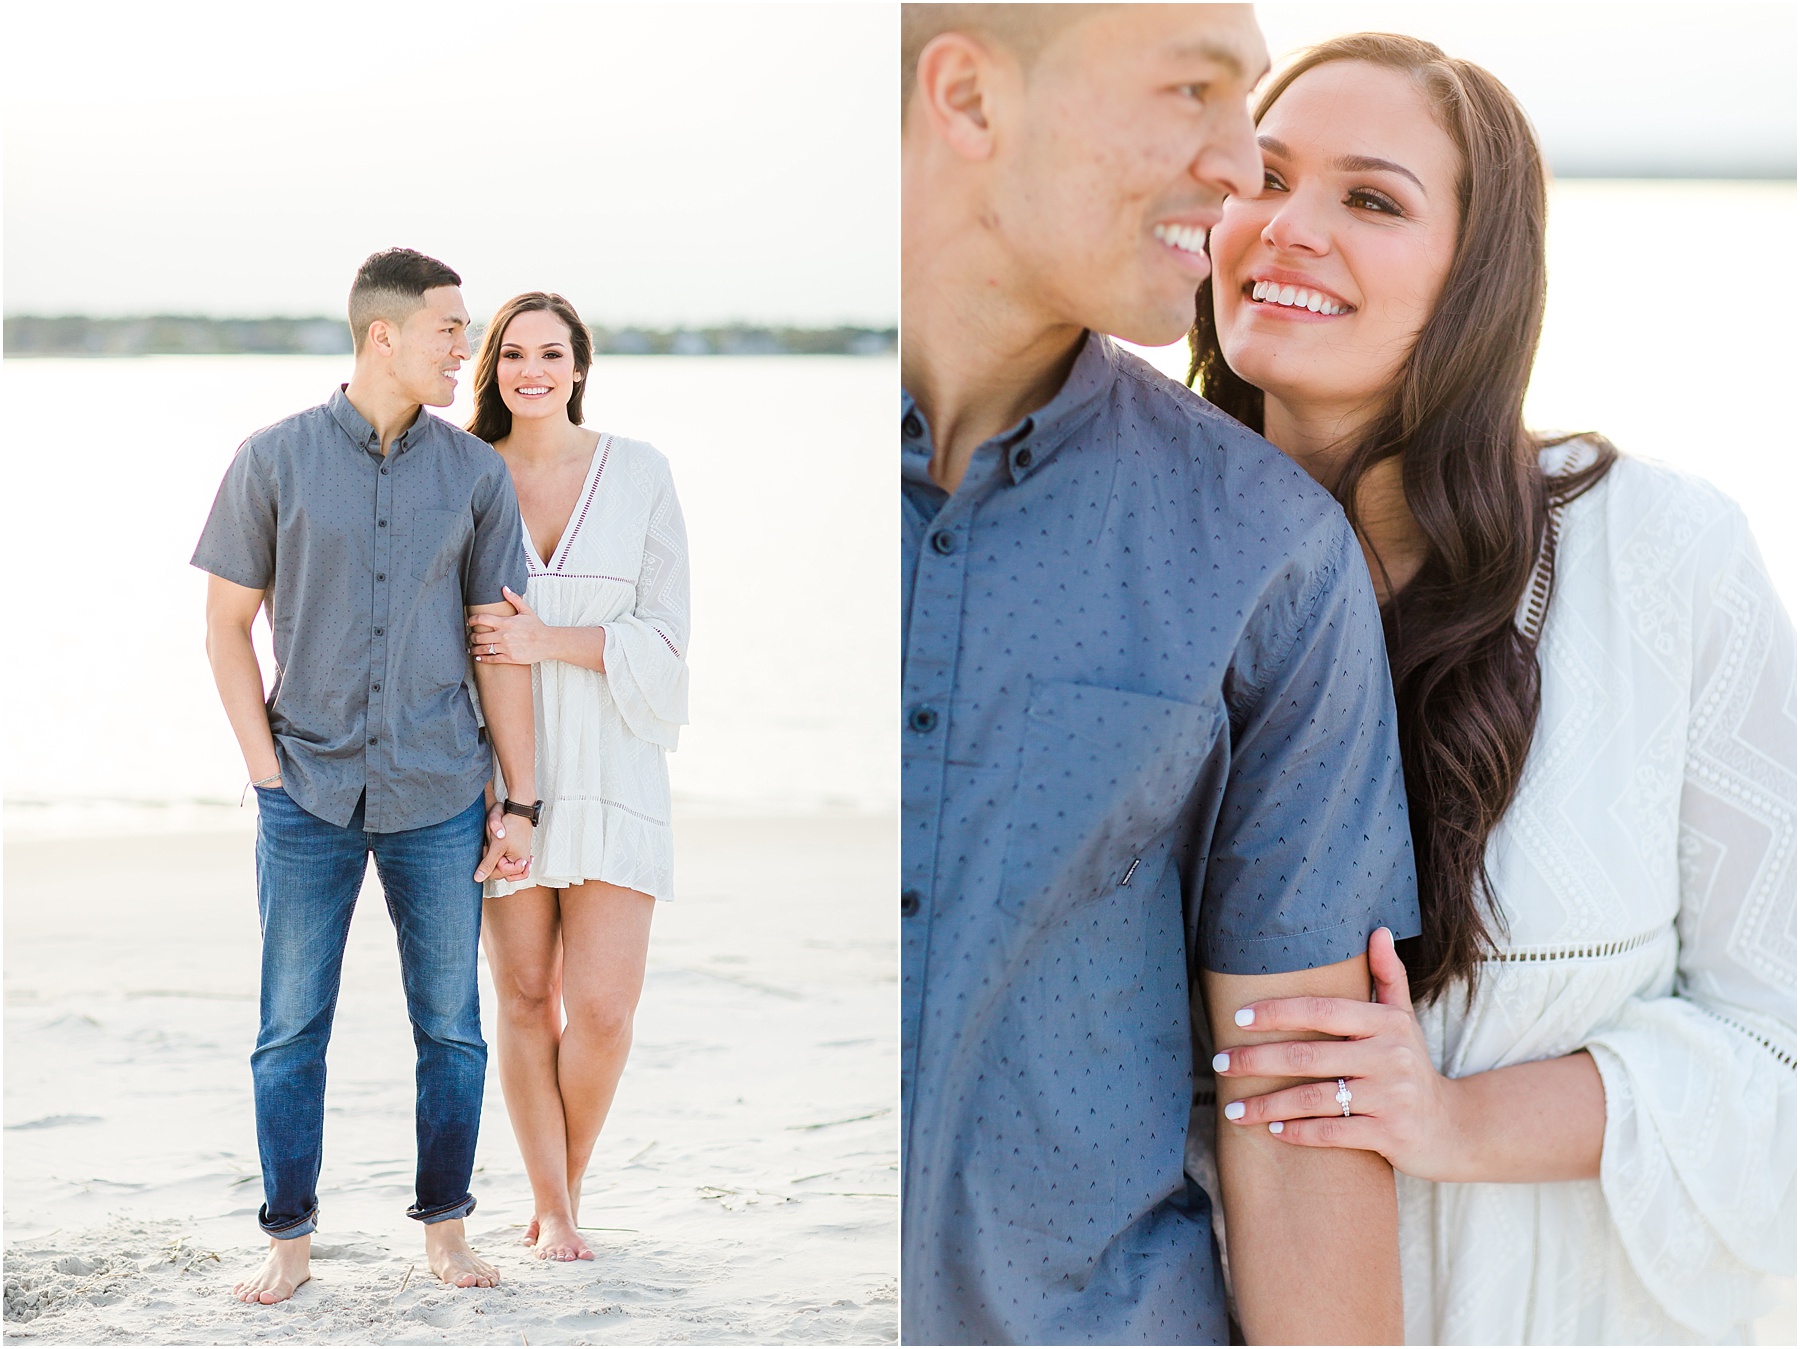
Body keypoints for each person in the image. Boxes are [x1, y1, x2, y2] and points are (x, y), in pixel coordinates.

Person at [1189, 34, 1796, 1343]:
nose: (1285, 229)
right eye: (1262, 176)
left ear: (1479, 273)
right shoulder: (1139, 558)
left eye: (1370, 198)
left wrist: (1453, 1119)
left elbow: (1783, 1051)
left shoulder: (1661, 554)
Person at [901, 6, 1423, 1342]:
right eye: (1193, 92)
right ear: (966, 101)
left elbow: (1299, 1117)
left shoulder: (1267, 550)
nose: (1244, 169)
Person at [194, 247, 539, 1304]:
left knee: (451, 1024)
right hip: (307, 793)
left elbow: (499, 646)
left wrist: (519, 797)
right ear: (381, 334)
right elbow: (225, 628)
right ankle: (288, 1237)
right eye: (451, 329)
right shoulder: (273, 459)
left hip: (441, 791)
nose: (464, 349)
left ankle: (446, 1227)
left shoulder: (476, 475)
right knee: (291, 1025)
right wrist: (266, 774)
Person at [461, 292, 690, 1263]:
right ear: (493, 368)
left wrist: (548, 636)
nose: (533, 370)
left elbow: (671, 647)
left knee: (601, 1007)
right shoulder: (464, 474)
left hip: (615, 764)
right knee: (522, 994)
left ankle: (569, 1182)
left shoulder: (639, 472)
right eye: (513, 353)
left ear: (579, 364)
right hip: (501, 772)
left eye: (551, 352)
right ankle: (553, 1208)